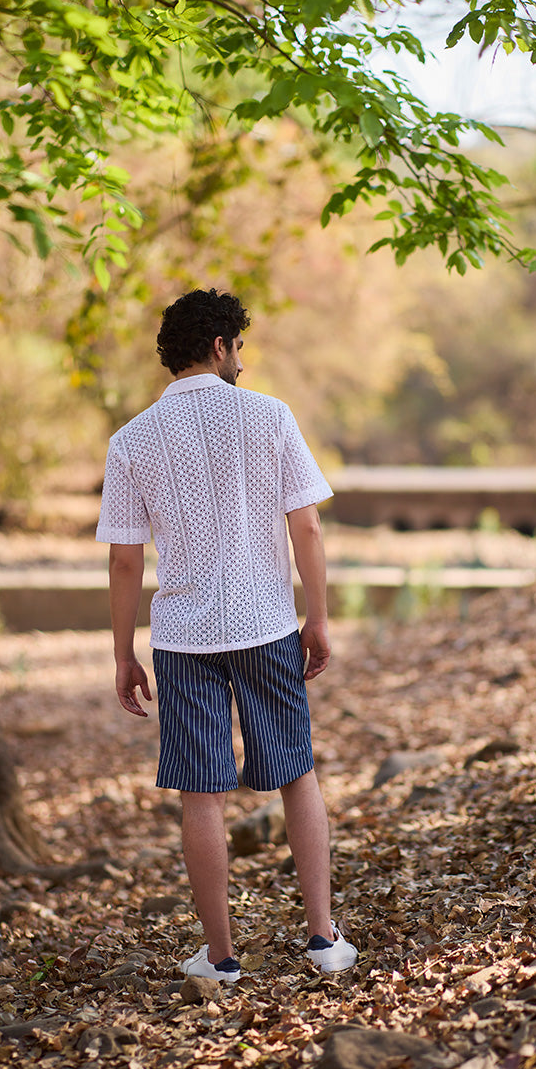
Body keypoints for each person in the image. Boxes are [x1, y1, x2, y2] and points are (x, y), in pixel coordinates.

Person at [96, 288, 357, 981]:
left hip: (182, 638)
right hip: (266, 623)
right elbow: (307, 525)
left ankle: (221, 957)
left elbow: (124, 559)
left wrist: (123, 653)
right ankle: (324, 941)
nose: (241, 359)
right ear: (219, 347)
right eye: (238, 346)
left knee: (200, 794)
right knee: (296, 775)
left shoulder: (131, 441)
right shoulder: (270, 416)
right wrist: (319, 617)